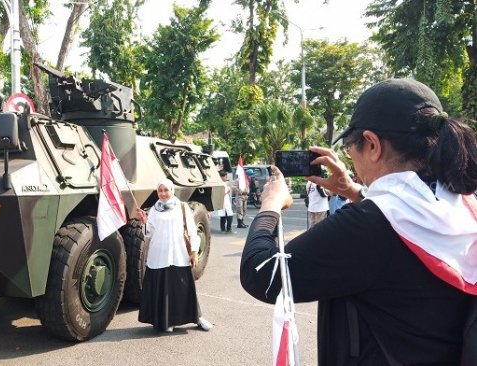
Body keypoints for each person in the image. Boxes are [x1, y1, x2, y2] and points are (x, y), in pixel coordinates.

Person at [240, 79, 477, 365]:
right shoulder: (464, 203)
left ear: (373, 144)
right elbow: (397, 224)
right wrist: (354, 191)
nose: (350, 159)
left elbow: (262, 274)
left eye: (352, 147)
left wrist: (270, 206)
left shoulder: (367, 226)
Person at [136, 179, 212, 333]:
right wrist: (144, 221)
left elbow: (192, 231)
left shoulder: (182, 207)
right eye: (160, 191)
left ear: (172, 190)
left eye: (166, 190)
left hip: (178, 254)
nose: (163, 194)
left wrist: (194, 252)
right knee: (163, 290)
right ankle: (167, 321)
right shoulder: (154, 210)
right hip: (159, 255)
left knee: (184, 288)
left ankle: (198, 318)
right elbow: (148, 234)